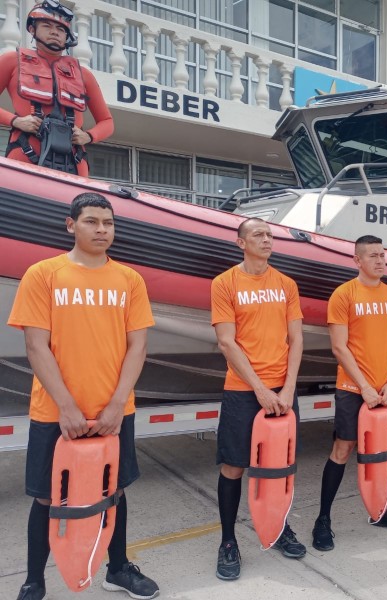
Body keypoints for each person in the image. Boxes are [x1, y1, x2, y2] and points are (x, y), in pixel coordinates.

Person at [7, 193, 158, 600]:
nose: (101, 230)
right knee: (46, 495)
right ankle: (34, 580)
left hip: (115, 410)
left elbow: (137, 347)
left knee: (116, 491)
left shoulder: (129, 280)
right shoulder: (43, 275)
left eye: (108, 223)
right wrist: (67, 407)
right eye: (91, 222)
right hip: (54, 411)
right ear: (70, 225)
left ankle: (119, 568)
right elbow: (37, 347)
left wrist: (115, 403)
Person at [210, 217, 305, 581]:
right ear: (240, 243)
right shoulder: (225, 283)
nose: (267, 240)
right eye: (258, 235)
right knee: (234, 467)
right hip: (243, 391)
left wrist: (288, 388)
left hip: (282, 392)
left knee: (278, 468)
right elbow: (226, 342)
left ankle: (278, 528)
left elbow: (295, 339)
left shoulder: (286, 284)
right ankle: (229, 541)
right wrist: (260, 389)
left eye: (269, 235)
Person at [312, 235, 387, 551]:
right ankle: (322, 520)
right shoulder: (344, 295)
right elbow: (339, 348)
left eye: (383, 255)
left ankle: (381, 510)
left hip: (385, 390)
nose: (380, 260)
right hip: (353, 389)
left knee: (382, 453)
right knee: (343, 450)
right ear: (358, 260)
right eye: (373, 255)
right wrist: (366, 387)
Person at [0, 1, 114, 175]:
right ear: (32, 29)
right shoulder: (12, 61)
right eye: (47, 26)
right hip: (25, 155)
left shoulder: (84, 74)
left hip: (74, 162)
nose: (54, 32)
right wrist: (15, 121)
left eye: (61, 29)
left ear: (67, 36)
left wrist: (88, 136)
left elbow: (107, 122)